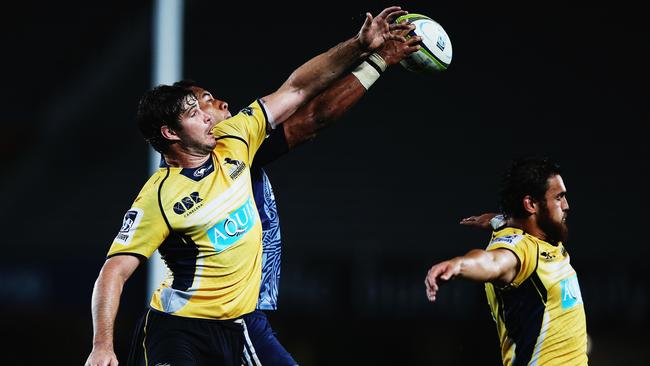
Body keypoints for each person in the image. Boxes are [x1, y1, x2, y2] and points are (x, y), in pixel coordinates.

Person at [84, 6, 414, 366]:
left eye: (203, 106)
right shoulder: (159, 197)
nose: (211, 115)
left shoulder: (236, 138)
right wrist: (102, 344)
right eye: (196, 112)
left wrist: (360, 46)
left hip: (242, 322)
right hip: (180, 329)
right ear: (170, 133)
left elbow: (299, 88)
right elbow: (114, 271)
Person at [173, 32, 420, 365]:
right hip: (224, 316)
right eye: (206, 99)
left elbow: (301, 96)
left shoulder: (215, 157)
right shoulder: (219, 156)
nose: (222, 104)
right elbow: (311, 114)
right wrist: (376, 59)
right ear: (181, 122)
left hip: (224, 314)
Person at [424, 156, 587, 365]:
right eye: (558, 198)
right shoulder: (522, 249)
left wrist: (496, 219)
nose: (566, 205)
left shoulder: (543, 236)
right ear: (531, 205)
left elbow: (509, 223)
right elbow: (492, 262)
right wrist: (459, 265)